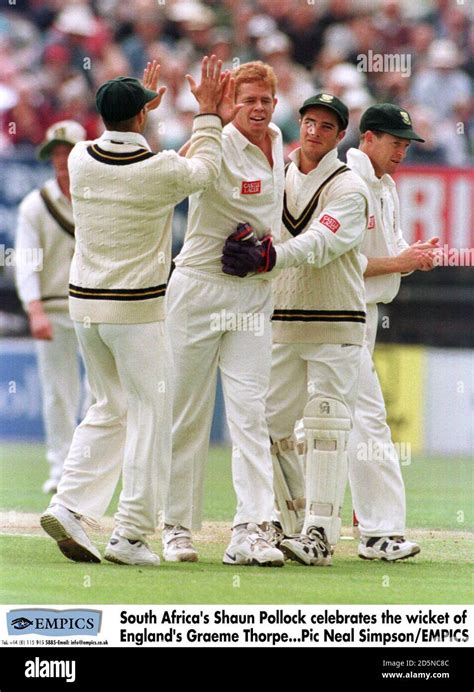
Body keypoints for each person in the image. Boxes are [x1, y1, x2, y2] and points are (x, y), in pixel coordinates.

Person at [40, 56, 229, 566]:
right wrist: (207, 112)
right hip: (136, 313)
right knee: (150, 415)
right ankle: (131, 534)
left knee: (108, 407)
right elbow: (204, 171)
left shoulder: (79, 157)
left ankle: (71, 503)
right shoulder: (159, 169)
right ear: (142, 118)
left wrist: (135, 105)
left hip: (85, 310)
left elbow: (168, 166)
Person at [222, 93, 371, 566]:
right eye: (309, 122)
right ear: (300, 123)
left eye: (326, 126)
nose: (314, 131)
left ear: (339, 135)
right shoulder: (275, 173)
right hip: (281, 319)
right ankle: (284, 525)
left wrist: (268, 258)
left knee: (326, 421)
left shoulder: (350, 187)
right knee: (269, 427)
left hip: (335, 319)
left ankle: (321, 536)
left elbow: (320, 243)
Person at [162, 61, 286, 567]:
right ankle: (175, 529)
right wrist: (206, 115)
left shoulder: (278, 138)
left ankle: (251, 530)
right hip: (198, 288)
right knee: (185, 414)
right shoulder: (213, 139)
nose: (257, 109)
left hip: (254, 292)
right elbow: (184, 172)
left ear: (276, 104)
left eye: (265, 101)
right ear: (231, 101)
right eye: (247, 100)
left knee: (251, 414)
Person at [345, 103, 438, 561]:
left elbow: (393, 249)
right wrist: (401, 262)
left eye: (406, 143)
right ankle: (380, 532)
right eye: (394, 141)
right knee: (367, 420)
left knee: (319, 422)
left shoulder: (384, 187)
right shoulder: (349, 183)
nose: (402, 150)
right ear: (367, 138)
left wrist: (414, 254)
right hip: (337, 313)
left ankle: (301, 522)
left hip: (362, 316)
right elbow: (337, 263)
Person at [15, 120, 89, 495]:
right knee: (58, 392)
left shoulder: (98, 196)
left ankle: (89, 467)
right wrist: (35, 310)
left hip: (96, 306)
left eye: (68, 153)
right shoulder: (35, 204)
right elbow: (26, 261)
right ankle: (61, 469)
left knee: (101, 391)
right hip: (55, 307)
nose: (61, 160)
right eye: (56, 153)